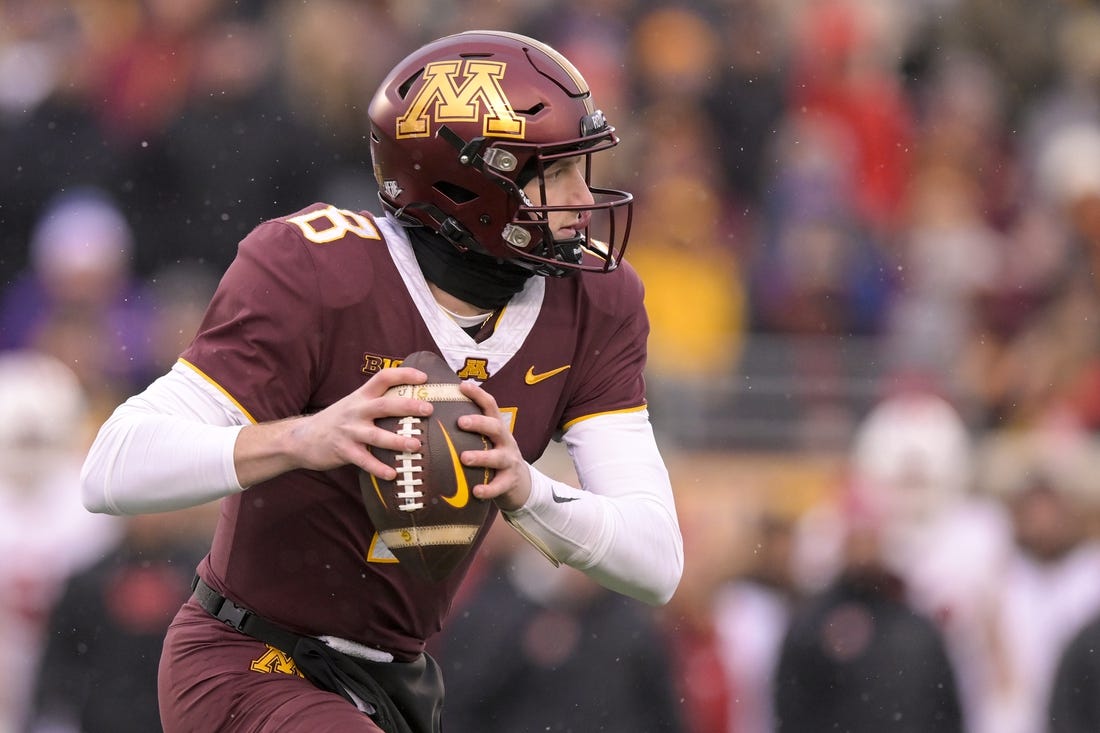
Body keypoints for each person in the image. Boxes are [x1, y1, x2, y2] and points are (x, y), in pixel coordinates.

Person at [80, 30, 684, 733]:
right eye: (555, 173)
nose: (583, 201)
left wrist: (525, 488)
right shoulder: (317, 269)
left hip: (397, 680)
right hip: (251, 659)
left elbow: (655, 559)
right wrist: (301, 437)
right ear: (471, 183)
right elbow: (111, 467)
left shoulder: (595, 305)